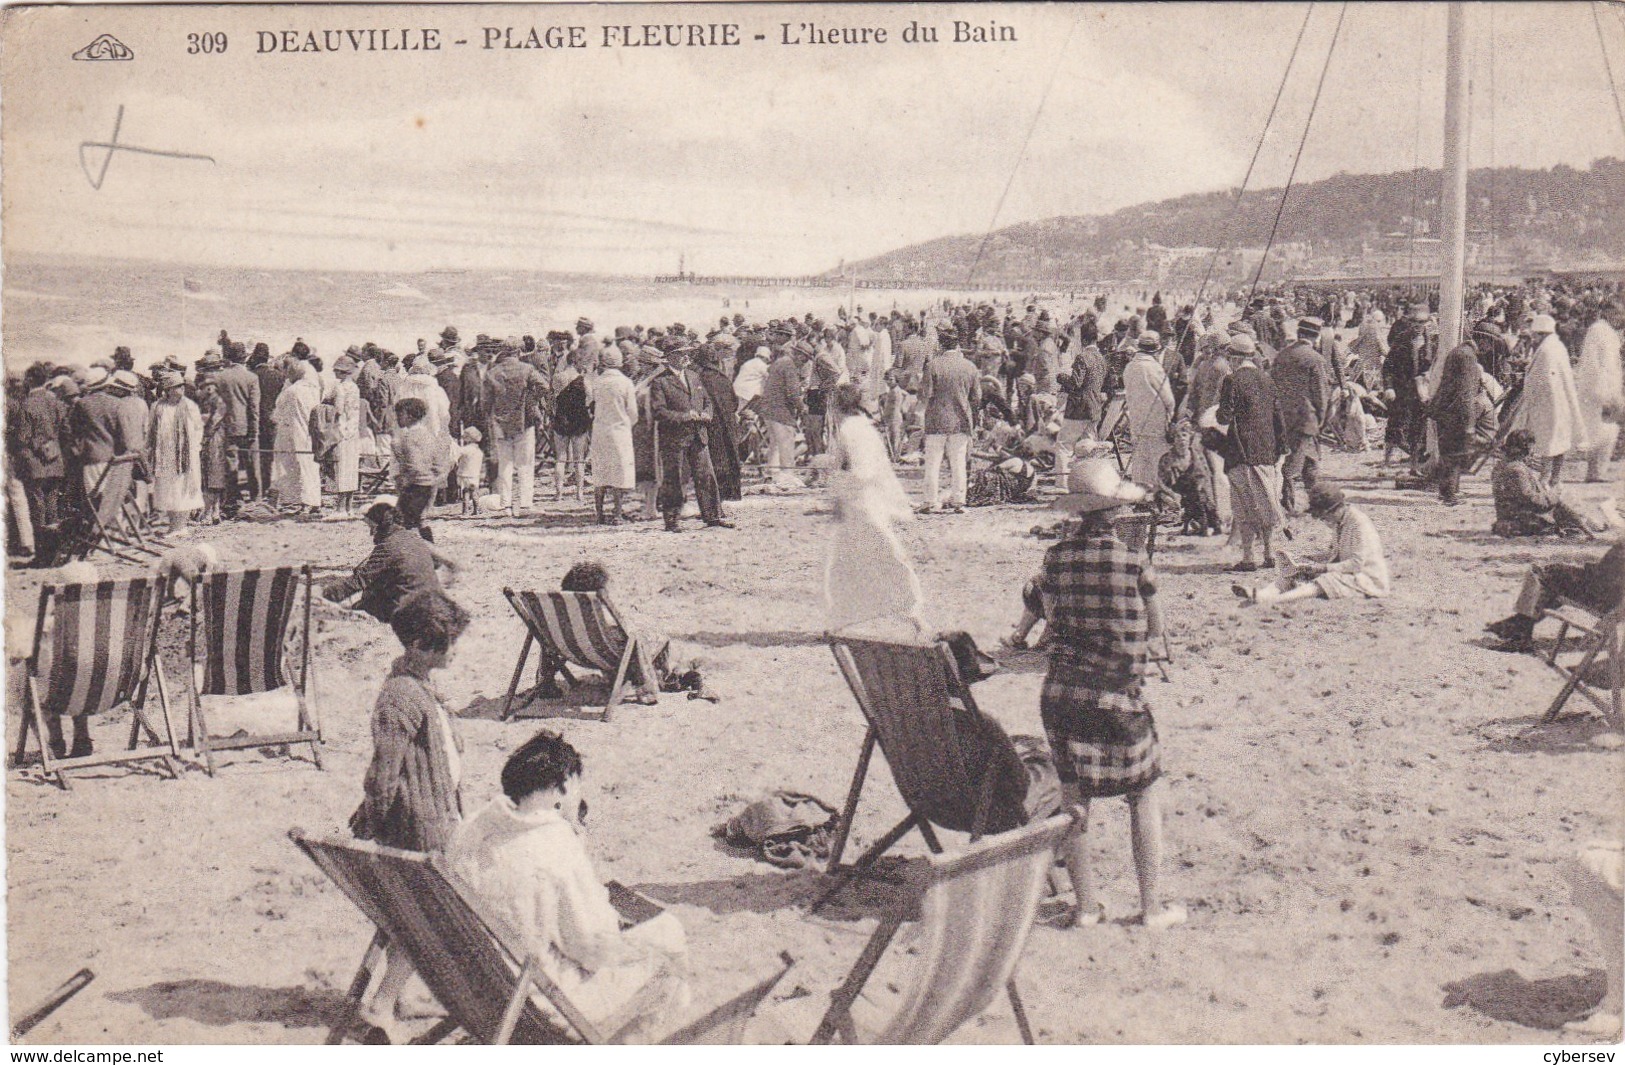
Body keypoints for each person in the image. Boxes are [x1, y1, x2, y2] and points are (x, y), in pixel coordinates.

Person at [447, 729, 690, 1043]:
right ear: (562, 785)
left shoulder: (471, 830)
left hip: (479, 988)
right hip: (540, 1001)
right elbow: (593, 948)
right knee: (670, 954)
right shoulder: (555, 844)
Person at [1039, 458, 1184, 930]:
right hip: (1117, 695)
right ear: (1116, 513)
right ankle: (1152, 907)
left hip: (1062, 695)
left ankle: (1085, 907)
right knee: (1142, 795)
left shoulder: (1055, 558)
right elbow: (1157, 628)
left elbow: (1049, 616)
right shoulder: (1133, 560)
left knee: (1073, 796)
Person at [349, 590, 471, 1041]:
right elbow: (383, 772)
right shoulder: (401, 696)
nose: (455, 651)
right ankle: (383, 1001)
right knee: (429, 917)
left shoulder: (417, 686)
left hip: (437, 813)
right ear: (420, 644)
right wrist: (379, 821)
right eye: (449, 643)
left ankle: (394, 995)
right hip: (422, 822)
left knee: (418, 915)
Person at [823, 383, 926, 634]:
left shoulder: (852, 429)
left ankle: (912, 612)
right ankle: (840, 619)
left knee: (887, 555)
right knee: (844, 562)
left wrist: (839, 482)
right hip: (858, 502)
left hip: (863, 502)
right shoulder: (859, 427)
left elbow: (862, 470)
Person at [1232, 484, 1390, 605]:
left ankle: (1275, 601)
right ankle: (1262, 594)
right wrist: (1307, 560)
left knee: (1326, 581)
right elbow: (1334, 553)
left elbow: (1356, 564)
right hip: (1346, 571)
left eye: (1323, 516)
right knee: (1292, 573)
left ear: (1336, 509)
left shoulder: (1358, 524)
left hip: (1367, 578)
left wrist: (1321, 568)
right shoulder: (1341, 522)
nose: (1323, 520)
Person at [323, 499, 458, 624]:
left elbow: (358, 581)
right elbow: (436, 564)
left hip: (408, 609)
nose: (371, 534)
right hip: (431, 602)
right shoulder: (412, 537)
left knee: (364, 601)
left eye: (372, 527)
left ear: (379, 526)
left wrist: (323, 595)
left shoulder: (388, 547)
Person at [1216, 334, 1284, 572]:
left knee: (1244, 505)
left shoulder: (1231, 381)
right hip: (1266, 450)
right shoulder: (1267, 380)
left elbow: (1223, 416)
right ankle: (1269, 551)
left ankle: (1248, 557)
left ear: (1234, 357)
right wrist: (1280, 448)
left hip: (1241, 451)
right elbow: (1278, 417)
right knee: (1266, 500)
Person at [648, 341, 731, 533]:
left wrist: (707, 413)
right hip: (674, 438)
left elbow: (706, 401)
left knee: (706, 476)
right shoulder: (660, 382)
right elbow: (659, 412)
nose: (687, 356)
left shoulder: (694, 376)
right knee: (674, 479)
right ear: (669, 357)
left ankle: (713, 516)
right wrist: (685, 416)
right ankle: (672, 520)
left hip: (698, 435)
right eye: (682, 353)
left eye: (688, 353)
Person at [1511, 313, 1588, 486]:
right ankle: (1554, 478)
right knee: (1558, 443)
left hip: (1549, 405)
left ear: (1541, 333)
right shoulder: (1555, 346)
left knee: (1549, 443)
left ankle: (1546, 479)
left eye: (1536, 335)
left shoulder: (1547, 350)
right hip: (1557, 404)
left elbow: (1545, 381)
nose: (1534, 338)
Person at [917, 326, 981, 514]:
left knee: (932, 463)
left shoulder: (933, 365)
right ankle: (959, 501)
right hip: (960, 421)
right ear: (958, 344)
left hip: (936, 420)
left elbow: (925, 394)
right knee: (958, 462)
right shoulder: (970, 367)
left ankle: (930, 501)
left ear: (941, 344)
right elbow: (976, 398)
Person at [1270, 319, 1331, 514]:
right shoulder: (1315, 359)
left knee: (1308, 459)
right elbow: (1321, 394)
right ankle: (1287, 503)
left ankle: (1315, 503)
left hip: (1283, 416)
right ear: (1316, 336)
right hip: (1306, 418)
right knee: (1294, 463)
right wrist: (1322, 419)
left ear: (1299, 334)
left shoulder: (1281, 356)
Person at [1492, 429, 1596, 538]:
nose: (1533, 452)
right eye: (1532, 448)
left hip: (1508, 518)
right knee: (1560, 501)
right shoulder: (1517, 470)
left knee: (1559, 501)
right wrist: (1552, 497)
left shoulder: (1503, 465)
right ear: (1526, 448)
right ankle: (1585, 527)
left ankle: (1584, 526)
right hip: (1518, 522)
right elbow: (1529, 499)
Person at [484, 339, 546, 517]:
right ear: (519, 351)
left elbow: (485, 403)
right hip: (523, 422)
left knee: (505, 465)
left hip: (500, 423)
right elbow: (543, 386)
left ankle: (506, 506)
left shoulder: (492, 373)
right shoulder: (527, 369)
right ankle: (526, 505)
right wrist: (530, 402)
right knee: (525, 464)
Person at [147, 369, 203, 534]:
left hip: (185, 456)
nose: (182, 389)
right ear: (169, 389)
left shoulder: (189, 406)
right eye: (178, 386)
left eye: (182, 386)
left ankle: (181, 526)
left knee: (183, 488)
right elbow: (150, 429)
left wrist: (192, 449)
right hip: (164, 455)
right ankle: (173, 525)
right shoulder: (157, 407)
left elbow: (198, 429)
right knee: (167, 489)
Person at [1428, 342, 1482, 506]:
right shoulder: (1468, 357)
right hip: (1457, 414)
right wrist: (1469, 424)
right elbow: (1466, 393)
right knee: (1455, 455)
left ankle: (1448, 491)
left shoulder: (1457, 352)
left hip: (1445, 411)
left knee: (1448, 454)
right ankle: (1450, 494)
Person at [1577, 301, 1625, 484]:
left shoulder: (1610, 332)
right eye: (1618, 313)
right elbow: (1592, 365)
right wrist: (1601, 394)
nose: (1620, 318)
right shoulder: (1597, 330)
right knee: (1598, 430)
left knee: (1607, 431)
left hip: (1610, 387)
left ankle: (1597, 472)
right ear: (1608, 312)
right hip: (1598, 390)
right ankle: (1595, 472)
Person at [589, 346, 638, 525]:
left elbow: (592, 404)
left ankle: (599, 513)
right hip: (620, 431)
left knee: (600, 472)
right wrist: (627, 423)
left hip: (600, 431)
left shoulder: (597, 381)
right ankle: (617, 513)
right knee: (619, 472)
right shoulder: (626, 383)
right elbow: (632, 412)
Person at [391, 397, 451, 541]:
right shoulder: (428, 435)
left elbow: (413, 462)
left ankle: (417, 554)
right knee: (419, 520)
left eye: (400, 415)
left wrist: (405, 478)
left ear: (410, 416)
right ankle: (430, 553)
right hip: (429, 483)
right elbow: (438, 459)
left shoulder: (409, 437)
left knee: (403, 521)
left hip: (415, 484)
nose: (397, 418)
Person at [1122, 332, 1175, 489]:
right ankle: (1159, 494)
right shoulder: (1153, 368)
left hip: (1136, 419)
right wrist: (1171, 414)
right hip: (1155, 421)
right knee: (1158, 459)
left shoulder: (1129, 367)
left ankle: (1140, 493)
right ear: (1156, 350)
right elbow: (1168, 398)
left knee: (1140, 459)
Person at [271, 359, 323, 517]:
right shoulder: (313, 389)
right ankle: (313, 501)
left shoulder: (291, 391)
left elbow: (277, 414)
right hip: (310, 431)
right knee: (310, 467)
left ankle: (297, 501)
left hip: (292, 432)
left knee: (292, 466)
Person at [692, 344, 743, 502]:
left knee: (716, 457)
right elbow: (734, 402)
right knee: (730, 455)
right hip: (728, 421)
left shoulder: (699, 378)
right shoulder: (722, 377)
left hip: (712, 423)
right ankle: (732, 493)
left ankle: (718, 494)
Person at [196, 377, 228, 525]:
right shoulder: (207, 402)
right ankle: (214, 511)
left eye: (210, 386)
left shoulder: (218, 402)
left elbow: (214, 421)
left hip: (214, 440)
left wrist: (204, 437)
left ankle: (210, 512)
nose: (208, 389)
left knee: (212, 476)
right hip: (214, 439)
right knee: (213, 476)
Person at [453, 427, 485, 515]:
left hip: (464, 474)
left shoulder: (465, 450)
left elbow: (456, 456)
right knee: (474, 492)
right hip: (474, 475)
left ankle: (465, 510)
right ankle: (476, 509)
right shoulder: (479, 452)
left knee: (465, 492)